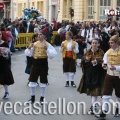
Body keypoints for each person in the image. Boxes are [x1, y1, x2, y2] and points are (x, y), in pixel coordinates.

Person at [25, 30, 57, 104]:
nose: (39, 36)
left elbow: (53, 55)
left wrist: (47, 49)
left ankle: (42, 98)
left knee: (43, 81)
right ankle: (32, 98)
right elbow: (29, 54)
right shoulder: (34, 44)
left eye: (41, 34)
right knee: (32, 81)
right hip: (35, 63)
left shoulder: (47, 44)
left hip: (43, 64)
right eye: (38, 34)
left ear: (44, 36)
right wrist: (29, 48)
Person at [77, 39, 105, 114]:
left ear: (98, 44)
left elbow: (103, 61)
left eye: (96, 43)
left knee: (95, 90)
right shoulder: (88, 51)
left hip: (97, 73)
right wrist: (86, 60)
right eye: (93, 43)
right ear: (91, 44)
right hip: (89, 73)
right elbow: (83, 61)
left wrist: (96, 62)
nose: (94, 44)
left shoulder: (101, 52)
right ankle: (93, 106)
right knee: (92, 91)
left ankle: (94, 106)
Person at [95, 35, 120, 118]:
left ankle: (118, 110)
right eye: (110, 43)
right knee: (106, 94)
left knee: (118, 95)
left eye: (112, 43)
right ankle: (104, 112)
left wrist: (116, 67)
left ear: (117, 43)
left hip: (118, 76)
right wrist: (104, 65)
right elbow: (105, 61)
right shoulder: (108, 52)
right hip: (109, 75)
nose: (110, 44)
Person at [0, 30, 14, 99]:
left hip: (3, 63)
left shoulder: (5, 44)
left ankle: (6, 92)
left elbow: (8, 55)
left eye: (0, 34)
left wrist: (3, 53)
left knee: (4, 79)